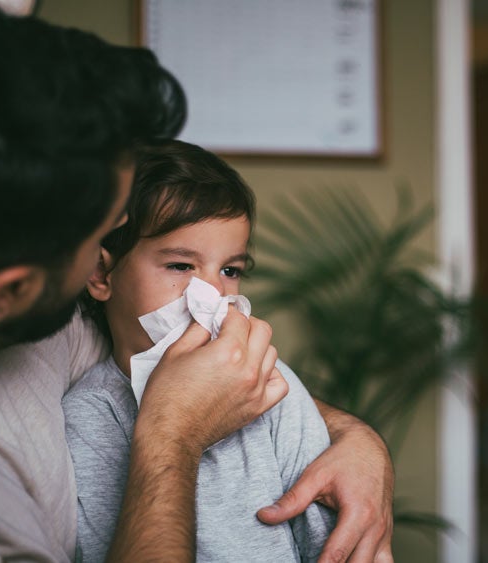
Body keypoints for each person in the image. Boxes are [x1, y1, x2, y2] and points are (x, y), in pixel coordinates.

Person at [0, 4, 393, 562]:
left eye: (230, 269)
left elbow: (242, 391)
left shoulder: (48, 334)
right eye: (103, 235)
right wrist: (172, 433)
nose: (209, 294)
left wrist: (359, 441)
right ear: (12, 291)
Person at [64, 139, 336, 562]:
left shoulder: (270, 383)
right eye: (180, 266)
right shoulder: (90, 416)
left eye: (230, 270)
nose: (212, 293)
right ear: (101, 273)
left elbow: (327, 542)